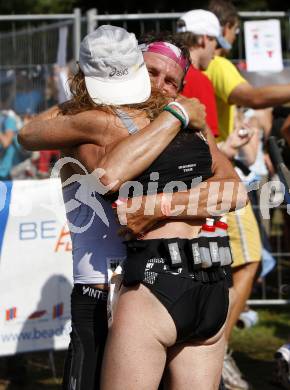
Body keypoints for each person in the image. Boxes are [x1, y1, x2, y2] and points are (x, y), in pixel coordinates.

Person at [20, 27, 247, 390]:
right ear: (134, 71)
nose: (160, 85)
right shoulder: (95, 120)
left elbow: (235, 190)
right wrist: (172, 114)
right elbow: (31, 134)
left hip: (159, 281)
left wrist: (158, 205)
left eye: (171, 81)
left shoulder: (187, 129)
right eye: (152, 73)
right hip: (109, 285)